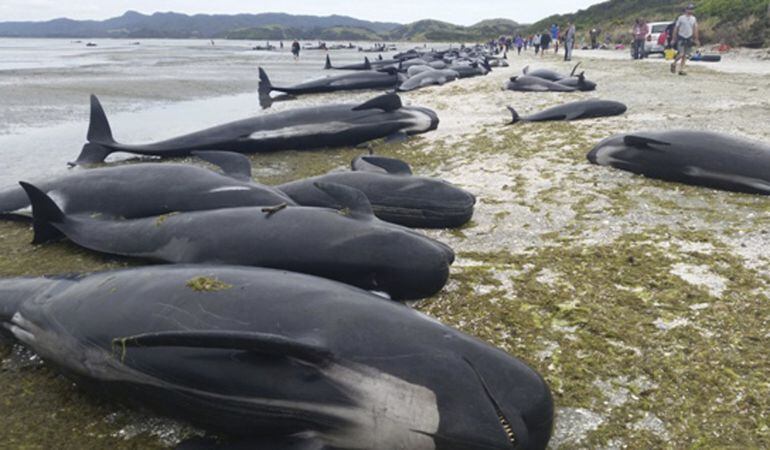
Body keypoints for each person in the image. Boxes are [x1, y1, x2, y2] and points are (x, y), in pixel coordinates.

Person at [671, 4, 700, 75]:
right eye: (689, 9)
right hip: (681, 37)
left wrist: (696, 39)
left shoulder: (693, 19)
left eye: (692, 9)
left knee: (685, 55)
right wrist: (673, 38)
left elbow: (695, 29)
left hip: (689, 37)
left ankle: (681, 69)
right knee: (681, 54)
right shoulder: (681, 18)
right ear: (686, 10)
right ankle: (674, 63)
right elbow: (676, 28)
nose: (690, 10)